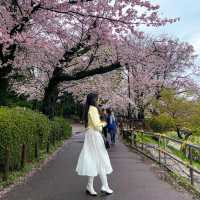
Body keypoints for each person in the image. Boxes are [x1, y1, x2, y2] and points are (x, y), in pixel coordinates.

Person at [76, 93, 113, 196]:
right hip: (94, 135)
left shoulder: (90, 109)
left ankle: (92, 186)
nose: (98, 100)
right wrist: (104, 123)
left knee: (94, 159)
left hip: (91, 135)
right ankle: (104, 186)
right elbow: (97, 126)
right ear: (94, 99)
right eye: (97, 99)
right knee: (100, 159)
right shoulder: (93, 109)